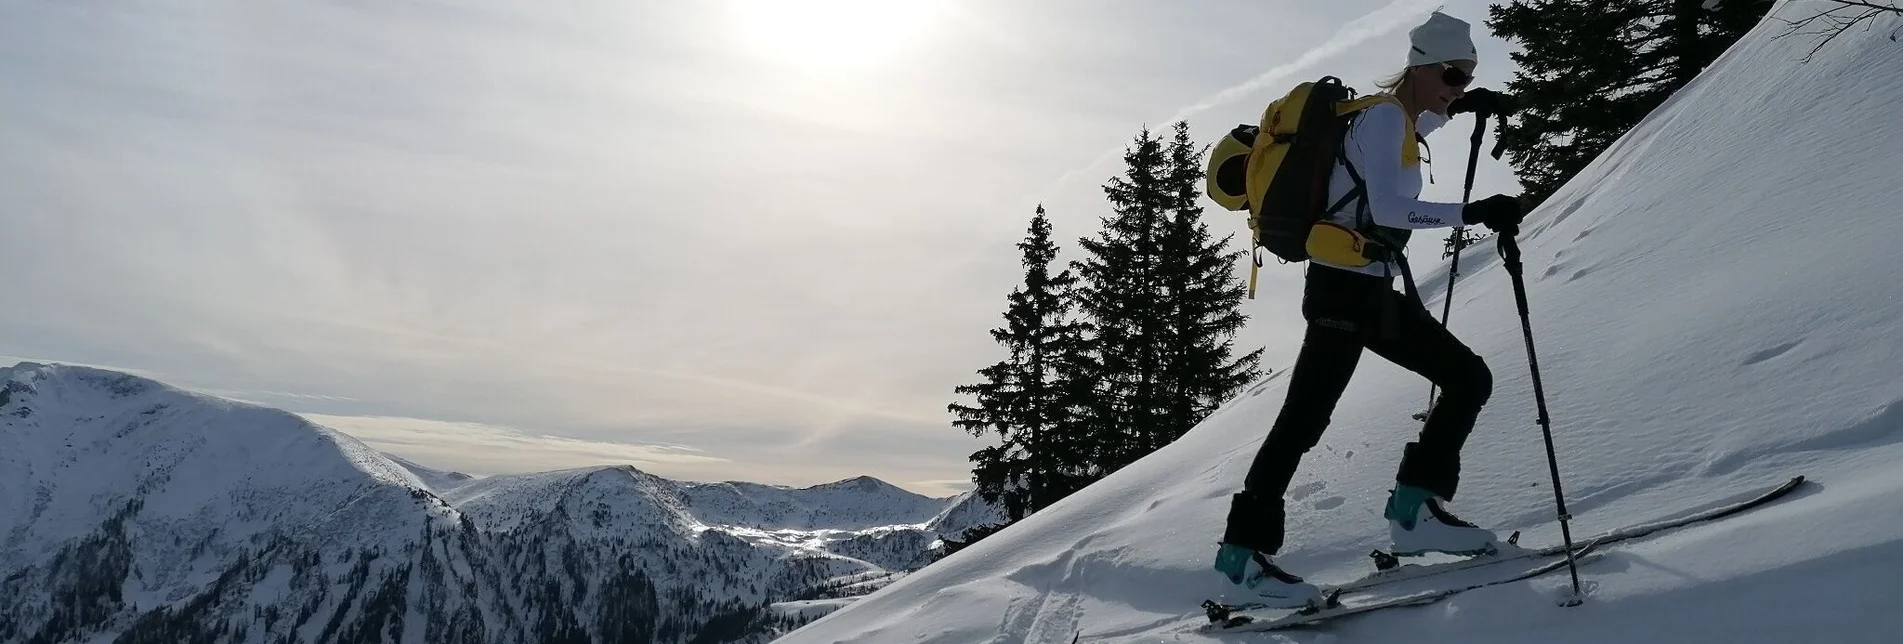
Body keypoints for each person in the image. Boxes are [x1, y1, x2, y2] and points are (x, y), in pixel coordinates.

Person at [1211, 11, 1528, 608]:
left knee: (1453, 381)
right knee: (1318, 417)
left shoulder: (1390, 117)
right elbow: (1386, 208)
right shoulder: (1384, 120)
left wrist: (1465, 106)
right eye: (1453, 77)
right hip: (1346, 291)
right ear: (1423, 67)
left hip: (1358, 288)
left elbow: (1395, 155)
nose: (1455, 88)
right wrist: (1473, 211)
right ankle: (1246, 559)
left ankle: (1410, 514)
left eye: (1464, 79)